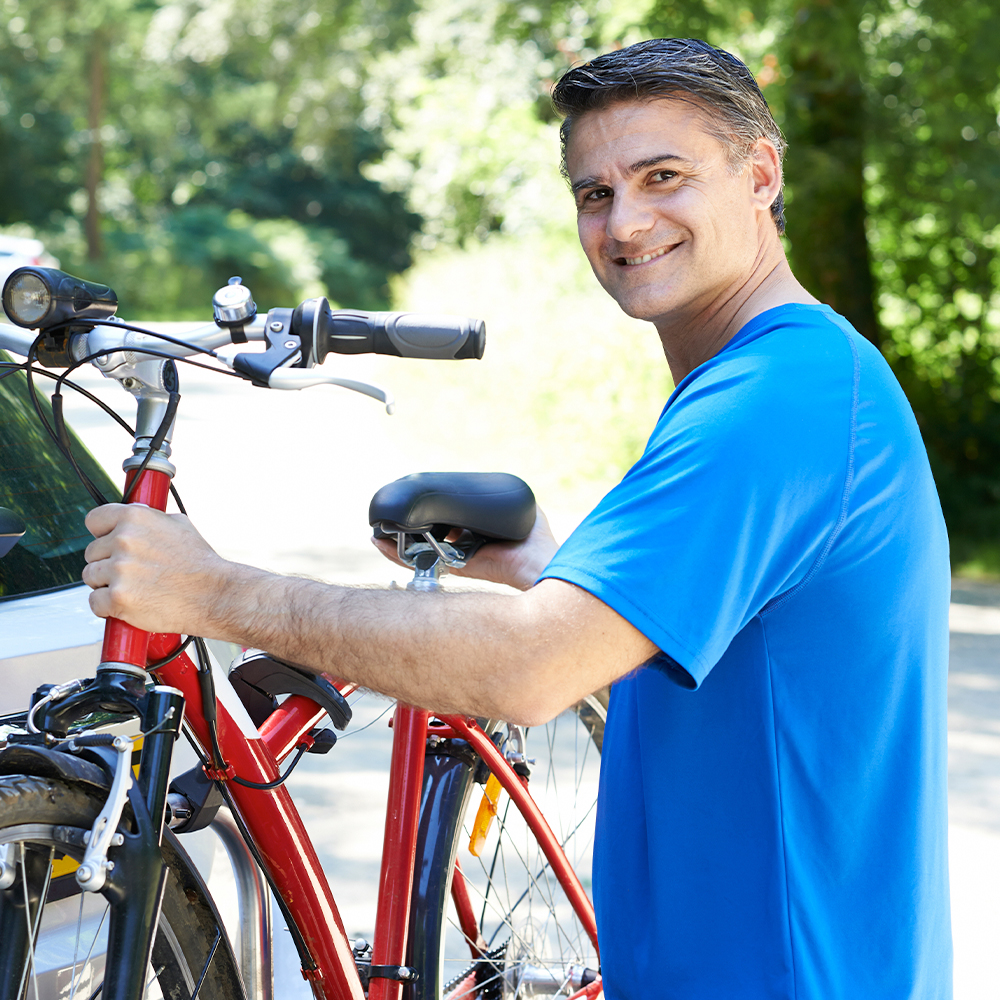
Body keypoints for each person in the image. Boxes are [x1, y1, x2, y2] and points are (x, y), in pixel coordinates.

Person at [82, 38, 951, 1000]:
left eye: (664, 176)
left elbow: (534, 669)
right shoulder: (786, 377)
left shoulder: (779, 401)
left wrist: (213, 590)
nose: (626, 221)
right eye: (594, 193)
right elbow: (754, 687)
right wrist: (555, 574)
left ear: (759, 176)